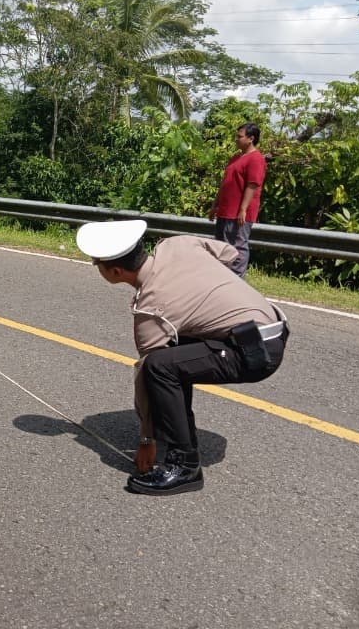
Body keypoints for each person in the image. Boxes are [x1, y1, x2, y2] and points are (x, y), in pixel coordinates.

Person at [76, 219, 289, 496]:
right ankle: (181, 434)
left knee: (159, 366)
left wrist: (146, 438)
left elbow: (146, 375)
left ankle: (185, 466)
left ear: (115, 272)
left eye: (97, 265)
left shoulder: (151, 308)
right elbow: (230, 253)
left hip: (256, 352)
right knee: (175, 351)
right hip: (274, 327)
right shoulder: (176, 244)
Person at [208, 122, 266, 278]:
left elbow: (252, 185)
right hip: (225, 210)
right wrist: (215, 205)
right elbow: (225, 183)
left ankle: (237, 280)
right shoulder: (235, 158)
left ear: (251, 138)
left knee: (238, 247)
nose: (236, 139)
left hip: (239, 213)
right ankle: (222, 279)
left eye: (239, 136)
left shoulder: (256, 159)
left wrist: (243, 209)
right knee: (221, 247)